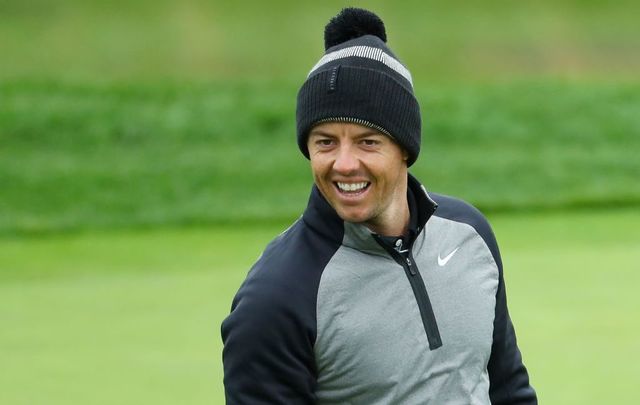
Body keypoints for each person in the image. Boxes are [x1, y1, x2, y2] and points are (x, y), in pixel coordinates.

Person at [221, 7, 537, 404]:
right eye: (325, 142)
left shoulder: (468, 233)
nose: (345, 163)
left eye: (368, 141)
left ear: (404, 148)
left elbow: (508, 387)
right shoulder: (276, 297)